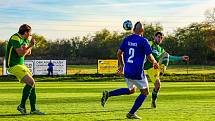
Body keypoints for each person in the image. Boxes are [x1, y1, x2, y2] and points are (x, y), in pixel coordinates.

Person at [101, 22, 159, 119]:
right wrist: (154, 62)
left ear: (133, 30)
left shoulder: (127, 39)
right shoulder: (143, 41)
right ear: (143, 31)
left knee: (131, 90)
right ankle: (131, 113)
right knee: (145, 92)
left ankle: (108, 94)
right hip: (137, 72)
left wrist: (121, 65)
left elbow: (119, 53)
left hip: (127, 71)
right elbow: (149, 56)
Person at [5, 24, 45, 115]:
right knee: (31, 82)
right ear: (26, 32)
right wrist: (30, 45)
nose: (30, 35)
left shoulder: (25, 39)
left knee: (32, 84)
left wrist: (28, 46)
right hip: (13, 65)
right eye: (30, 33)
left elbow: (28, 52)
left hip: (21, 65)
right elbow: (20, 54)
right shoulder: (15, 38)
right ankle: (21, 106)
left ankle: (33, 109)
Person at [144, 31, 189, 108]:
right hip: (147, 66)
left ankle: (153, 101)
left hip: (155, 67)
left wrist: (181, 58)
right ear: (154, 37)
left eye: (161, 38)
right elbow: (142, 48)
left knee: (158, 85)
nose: (159, 39)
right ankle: (161, 71)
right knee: (136, 88)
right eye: (158, 37)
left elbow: (169, 57)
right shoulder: (150, 43)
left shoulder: (161, 49)